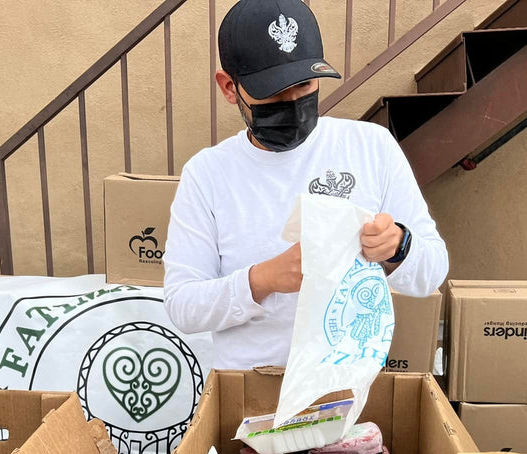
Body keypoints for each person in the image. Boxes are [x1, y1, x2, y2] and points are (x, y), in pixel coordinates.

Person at [163, 0, 448, 370]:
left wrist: (399, 246)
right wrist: (261, 279)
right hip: (250, 389)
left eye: (304, 85)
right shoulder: (208, 174)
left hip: (351, 387)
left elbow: (432, 271)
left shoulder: (371, 147)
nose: (294, 102)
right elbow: (183, 306)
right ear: (229, 87)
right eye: (274, 91)